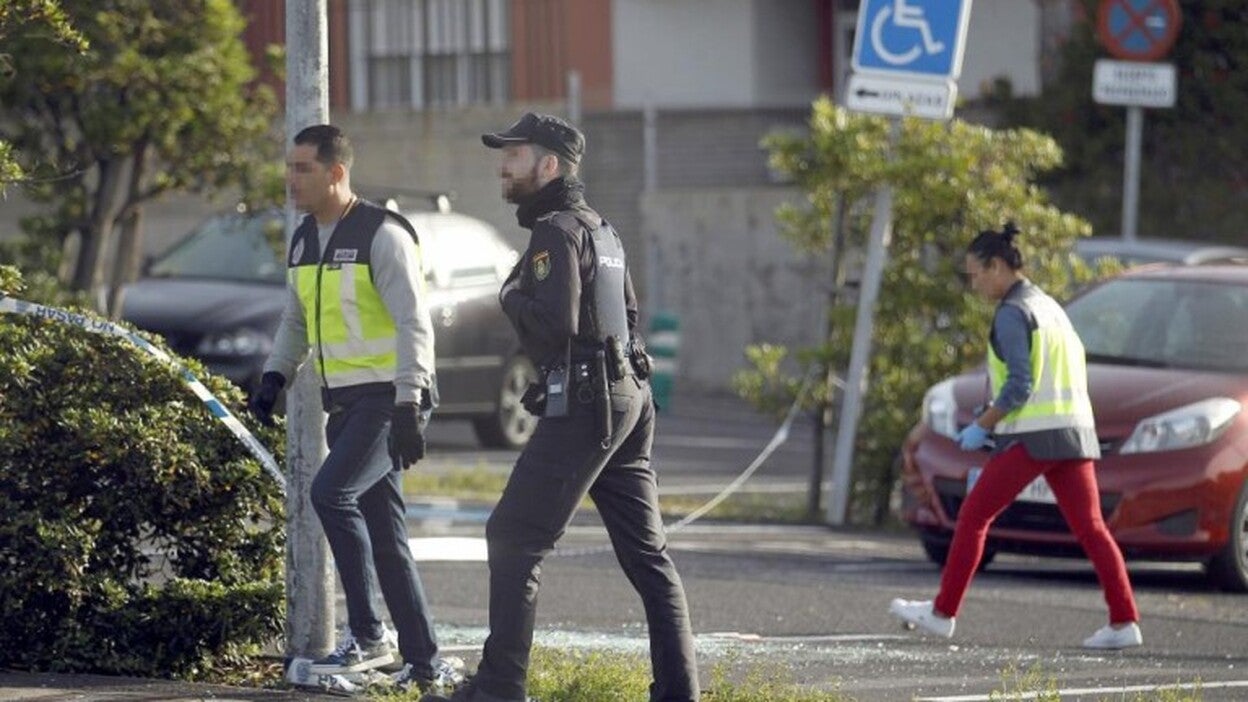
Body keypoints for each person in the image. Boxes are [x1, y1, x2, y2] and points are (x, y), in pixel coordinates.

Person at [422, 113, 700, 702]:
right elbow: (625, 320)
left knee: (513, 537)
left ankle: (499, 690)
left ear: (549, 165)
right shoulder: (601, 228)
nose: (503, 166)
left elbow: (554, 323)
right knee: (648, 558)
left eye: (514, 155)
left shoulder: (554, 231)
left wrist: (511, 296)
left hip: (588, 404)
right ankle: (680, 693)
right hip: (626, 399)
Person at [249, 124, 458, 692]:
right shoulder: (302, 239)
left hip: (389, 399)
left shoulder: (382, 235)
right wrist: (275, 376)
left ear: (336, 172)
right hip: (343, 404)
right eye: (288, 168)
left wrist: (410, 405)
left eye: (303, 169)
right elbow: (296, 321)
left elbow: (415, 322)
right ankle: (423, 661)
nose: (290, 180)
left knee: (329, 493)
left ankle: (369, 638)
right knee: (386, 536)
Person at [889, 223, 1143, 650]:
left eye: (976, 274)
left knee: (973, 517)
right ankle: (1124, 621)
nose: (974, 285)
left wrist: (981, 426)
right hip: (1074, 433)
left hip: (1035, 436)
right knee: (1092, 528)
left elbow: (1020, 386)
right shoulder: (1050, 307)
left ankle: (942, 614)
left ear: (998, 267)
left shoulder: (1012, 313)